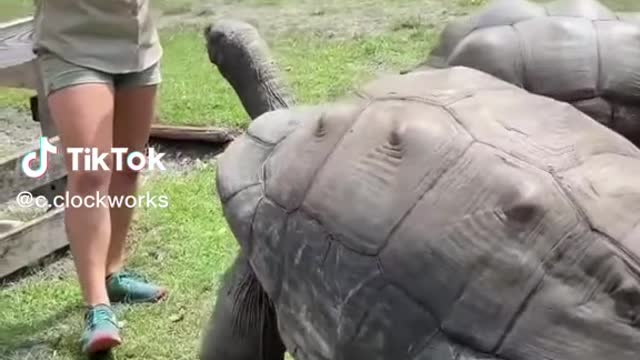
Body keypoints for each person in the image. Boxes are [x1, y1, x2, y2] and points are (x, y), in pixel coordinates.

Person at [32, 0, 167, 354]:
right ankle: (98, 306)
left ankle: (113, 274)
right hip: (71, 45)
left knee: (127, 164)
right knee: (90, 171)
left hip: (137, 43)